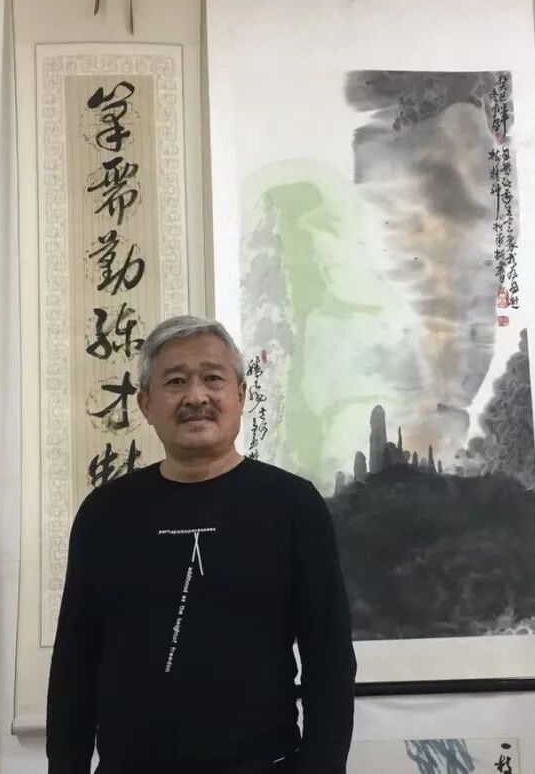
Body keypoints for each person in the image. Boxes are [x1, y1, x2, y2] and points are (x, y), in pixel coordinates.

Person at [46, 315, 356, 774]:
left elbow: (328, 658)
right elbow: (75, 662)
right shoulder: (105, 513)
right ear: (146, 403)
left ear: (241, 395)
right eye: (175, 381)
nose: (196, 397)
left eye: (213, 378)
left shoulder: (292, 505)